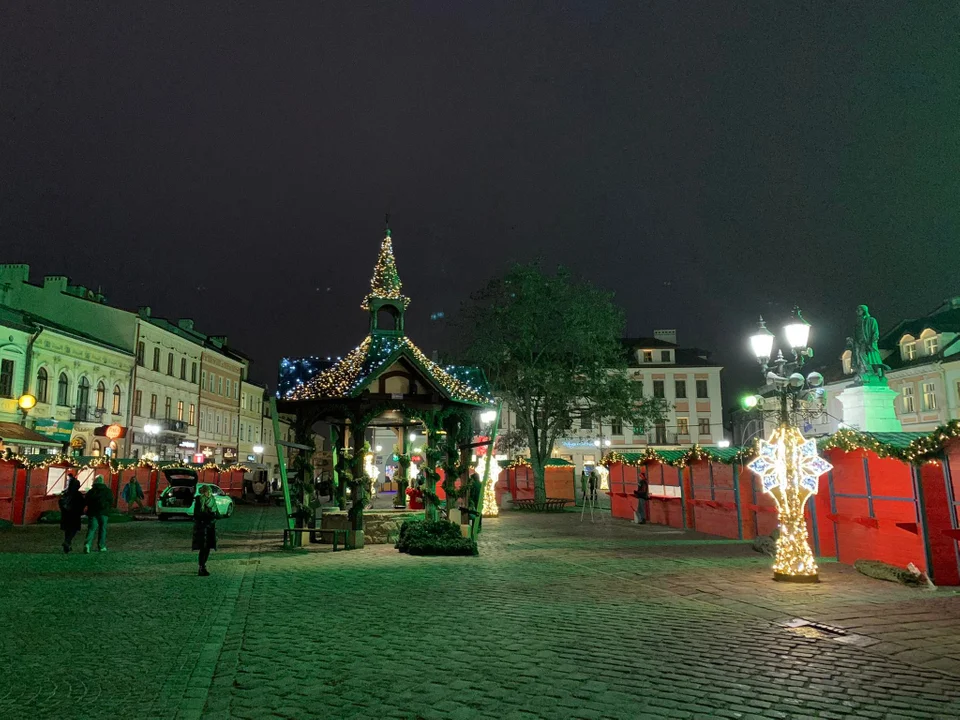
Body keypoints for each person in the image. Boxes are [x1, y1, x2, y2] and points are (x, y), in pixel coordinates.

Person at [193, 485, 220, 576]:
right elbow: (197, 514)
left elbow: (217, 512)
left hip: (211, 527)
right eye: (206, 492)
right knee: (203, 548)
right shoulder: (199, 500)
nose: (208, 493)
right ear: (203, 492)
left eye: (209, 491)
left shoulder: (212, 499)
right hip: (202, 527)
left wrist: (217, 515)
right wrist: (208, 516)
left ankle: (204, 565)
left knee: (208, 547)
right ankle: (201, 567)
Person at [84, 475, 114, 553]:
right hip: (103, 513)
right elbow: (111, 501)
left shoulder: (91, 491)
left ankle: (87, 544)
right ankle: (101, 546)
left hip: (93, 513)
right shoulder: (107, 491)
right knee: (102, 529)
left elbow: (86, 501)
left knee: (91, 529)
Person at [58, 475, 85, 553]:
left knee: (67, 530)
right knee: (73, 529)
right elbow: (82, 504)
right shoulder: (78, 495)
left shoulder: (65, 493)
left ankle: (68, 543)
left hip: (66, 515)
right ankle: (67, 542)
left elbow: (61, 502)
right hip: (75, 515)